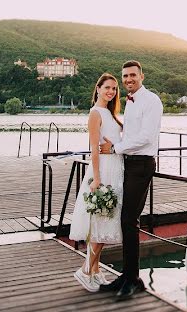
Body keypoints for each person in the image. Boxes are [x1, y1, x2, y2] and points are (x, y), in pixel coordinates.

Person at [98, 60, 163, 300]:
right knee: (126, 220)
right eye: (125, 76)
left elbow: (146, 137)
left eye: (132, 75)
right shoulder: (131, 102)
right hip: (128, 163)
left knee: (129, 220)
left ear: (141, 76)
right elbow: (130, 134)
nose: (128, 79)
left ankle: (133, 279)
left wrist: (115, 148)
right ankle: (127, 276)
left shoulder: (152, 100)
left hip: (142, 164)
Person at [69, 72, 124, 292]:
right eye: (107, 88)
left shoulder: (112, 114)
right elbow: (93, 147)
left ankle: (95, 270)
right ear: (98, 88)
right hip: (103, 170)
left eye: (114, 89)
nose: (110, 91)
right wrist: (98, 178)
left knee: (105, 222)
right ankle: (84, 270)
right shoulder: (95, 113)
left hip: (115, 168)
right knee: (100, 222)